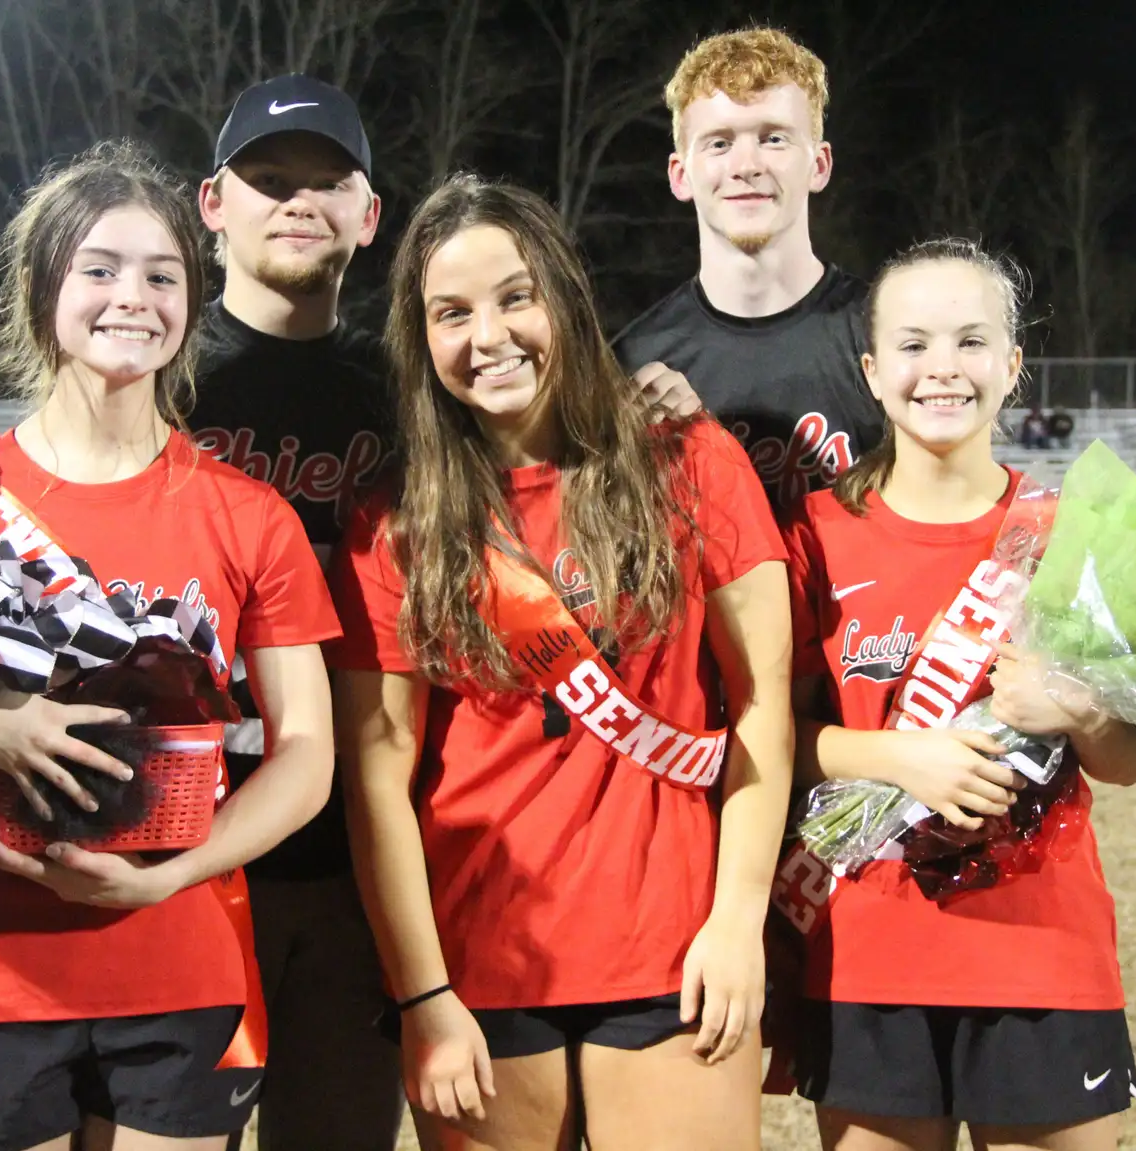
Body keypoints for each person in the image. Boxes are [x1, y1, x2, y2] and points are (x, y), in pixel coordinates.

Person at [0, 74, 699, 1151]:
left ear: (370, 215)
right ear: (214, 204)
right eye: (268, 180)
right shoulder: (148, 360)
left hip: (348, 854)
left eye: (328, 182)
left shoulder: (415, 388)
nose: (297, 201)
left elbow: (538, 438)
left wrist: (641, 397)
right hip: (150, 844)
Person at [0, 75, 408, 1151]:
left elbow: (310, 745)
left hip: (216, 925)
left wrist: (181, 866)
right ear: (41, 288)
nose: (133, 296)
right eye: (100, 268)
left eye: (158, 275)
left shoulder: (273, 490)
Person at [327, 175, 793, 1150]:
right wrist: (423, 992)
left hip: (674, 952)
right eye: (451, 313)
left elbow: (762, 705)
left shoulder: (690, 461)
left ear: (565, 300)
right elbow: (380, 770)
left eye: (515, 296)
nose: (488, 334)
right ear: (422, 340)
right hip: (480, 966)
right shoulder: (394, 518)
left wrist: (738, 919)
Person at [778, 238, 1136, 1151]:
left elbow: (1130, 759)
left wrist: (1080, 708)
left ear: (1014, 365)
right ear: (871, 371)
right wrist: (904, 756)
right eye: (912, 344)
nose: (941, 368)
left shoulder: (1068, 533)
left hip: (1044, 952)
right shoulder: (814, 535)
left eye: (971, 341)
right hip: (868, 948)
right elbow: (768, 734)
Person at [614, 28, 885, 509]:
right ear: (681, 175)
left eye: (773, 138)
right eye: (718, 144)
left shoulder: (885, 336)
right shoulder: (633, 365)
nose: (746, 165)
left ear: (819, 165)